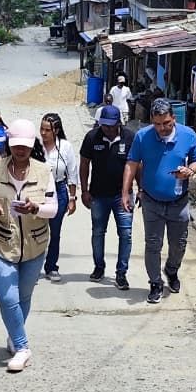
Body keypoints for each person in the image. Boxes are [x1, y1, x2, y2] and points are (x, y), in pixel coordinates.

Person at [0, 119, 57, 372]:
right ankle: (23, 347)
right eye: (15, 145)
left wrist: (36, 208)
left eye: (24, 145)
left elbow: (53, 210)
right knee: (5, 296)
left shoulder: (44, 171)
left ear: (32, 144)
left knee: (23, 297)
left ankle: (14, 335)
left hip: (34, 245)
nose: (20, 150)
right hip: (1, 242)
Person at [121, 98, 196, 304]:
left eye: (166, 123)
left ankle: (171, 270)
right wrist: (125, 192)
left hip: (179, 202)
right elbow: (132, 163)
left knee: (179, 244)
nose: (162, 128)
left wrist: (189, 170)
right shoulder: (142, 137)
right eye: (157, 124)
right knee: (153, 244)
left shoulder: (188, 135)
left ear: (173, 118)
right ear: (152, 121)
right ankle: (155, 282)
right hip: (151, 201)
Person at [79, 104, 135, 290]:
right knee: (97, 232)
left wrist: (141, 189)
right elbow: (84, 164)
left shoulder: (129, 137)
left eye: (111, 125)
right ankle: (99, 267)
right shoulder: (92, 137)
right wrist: (84, 190)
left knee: (125, 235)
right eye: (105, 125)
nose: (108, 129)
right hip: (98, 195)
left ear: (119, 122)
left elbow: (137, 165)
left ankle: (121, 273)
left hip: (123, 196)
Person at [39, 113, 79, 282]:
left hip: (59, 190)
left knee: (54, 233)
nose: (43, 133)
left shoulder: (65, 147)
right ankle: (31, 267)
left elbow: (72, 173)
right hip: (38, 191)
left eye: (47, 130)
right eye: (41, 128)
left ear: (56, 130)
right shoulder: (36, 146)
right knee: (36, 232)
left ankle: (51, 267)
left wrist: (72, 198)